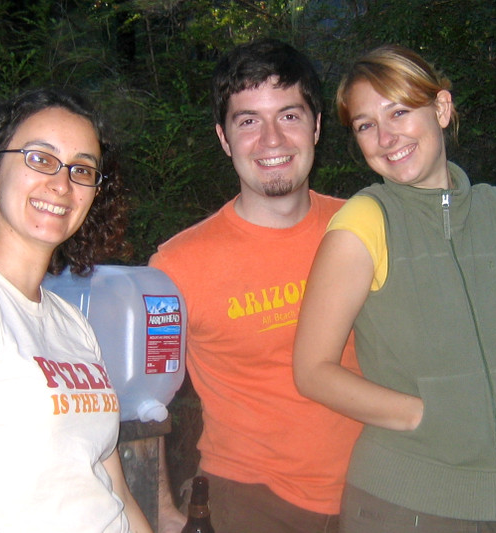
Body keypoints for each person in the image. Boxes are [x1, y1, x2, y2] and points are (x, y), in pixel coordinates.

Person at [293, 44, 496, 532]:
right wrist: (422, 415)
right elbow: (312, 370)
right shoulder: (364, 223)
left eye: (399, 111)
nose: (385, 135)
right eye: (365, 125)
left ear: (441, 108)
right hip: (408, 504)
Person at [0, 88, 153, 533]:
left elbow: (114, 489)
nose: (61, 184)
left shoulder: (71, 322)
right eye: (40, 159)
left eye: (82, 169)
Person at [149, 39, 363, 533]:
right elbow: (139, 394)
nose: (271, 140)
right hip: (250, 502)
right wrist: (161, 511)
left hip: (379, 491)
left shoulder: (363, 228)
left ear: (316, 126)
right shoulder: (177, 266)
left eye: (288, 116)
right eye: (248, 121)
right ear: (224, 139)